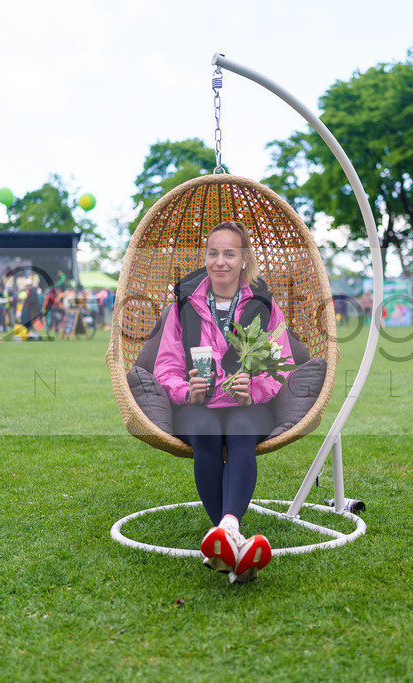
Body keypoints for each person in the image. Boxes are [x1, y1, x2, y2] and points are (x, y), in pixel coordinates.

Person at [153, 221, 293, 583]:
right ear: (205, 257)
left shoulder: (263, 304)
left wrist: (255, 389)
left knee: (243, 431)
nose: (220, 262)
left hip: (248, 404)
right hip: (197, 406)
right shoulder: (183, 305)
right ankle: (234, 543)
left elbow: (283, 363)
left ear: (243, 259)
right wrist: (186, 390)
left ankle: (226, 530)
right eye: (213, 253)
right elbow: (166, 365)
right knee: (205, 434)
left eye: (229, 253)